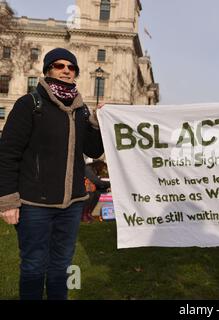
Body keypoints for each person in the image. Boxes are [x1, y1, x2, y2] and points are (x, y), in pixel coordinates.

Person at [0, 48, 104, 300]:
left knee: (61, 267)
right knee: (34, 266)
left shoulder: (81, 110)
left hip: (71, 205)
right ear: (48, 70)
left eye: (71, 67)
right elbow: (7, 154)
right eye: (59, 66)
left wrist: (96, 122)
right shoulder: (29, 103)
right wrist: (8, 201)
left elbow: (93, 149)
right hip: (35, 204)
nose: (66, 70)